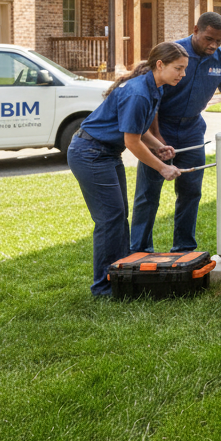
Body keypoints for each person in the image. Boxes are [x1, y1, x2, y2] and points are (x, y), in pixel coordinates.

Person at [130, 11, 221, 253]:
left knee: (191, 191)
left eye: (219, 41)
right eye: (208, 39)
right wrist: (157, 137)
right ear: (195, 30)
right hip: (160, 124)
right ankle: (140, 250)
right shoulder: (174, 54)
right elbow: (154, 97)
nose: (213, 45)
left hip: (193, 128)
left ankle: (183, 248)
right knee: (148, 193)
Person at [67, 42, 188, 298]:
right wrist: (163, 167)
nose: (182, 74)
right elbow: (131, 142)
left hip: (106, 153)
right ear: (160, 65)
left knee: (118, 218)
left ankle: (120, 277)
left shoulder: (153, 87)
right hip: (90, 153)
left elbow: (139, 129)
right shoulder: (138, 93)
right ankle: (103, 287)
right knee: (109, 220)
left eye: (184, 69)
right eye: (178, 68)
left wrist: (159, 147)